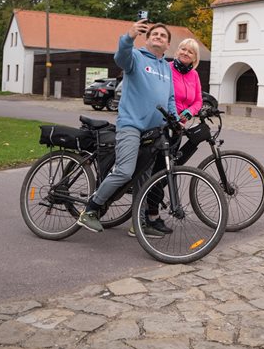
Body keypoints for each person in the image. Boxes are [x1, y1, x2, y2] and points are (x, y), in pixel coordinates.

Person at [77, 20, 176, 236]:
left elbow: (169, 99)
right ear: (148, 39)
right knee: (124, 171)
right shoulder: (137, 58)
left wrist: (175, 119)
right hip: (131, 125)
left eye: (163, 36)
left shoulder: (167, 69)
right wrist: (129, 36)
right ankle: (91, 209)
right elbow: (120, 58)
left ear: (168, 45)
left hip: (153, 132)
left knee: (144, 178)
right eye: (155, 34)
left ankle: (138, 224)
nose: (158, 37)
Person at [128, 37, 204, 237]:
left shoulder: (194, 75)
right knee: (156, 172)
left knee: (167, 171)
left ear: (195, 58)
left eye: (190, 52)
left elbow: (198, 100)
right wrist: (172, 116)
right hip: (161, 125)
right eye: (182, 49)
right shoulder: (166, 68)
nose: (185, 53)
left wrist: (188, 114)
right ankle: (148, 215)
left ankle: (151, 214)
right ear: (177, 50)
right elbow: (161, 95)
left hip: (178, 128)